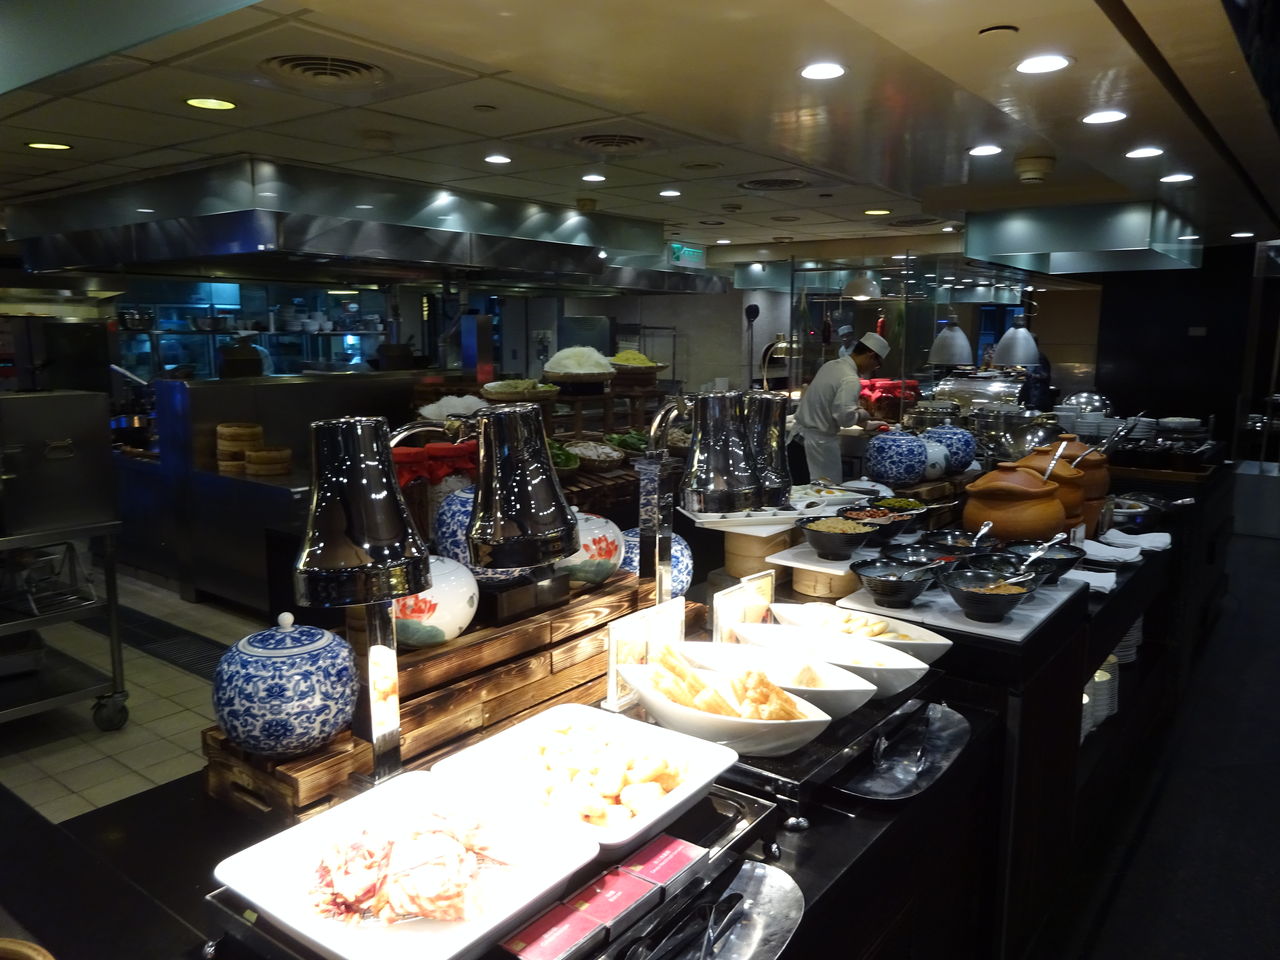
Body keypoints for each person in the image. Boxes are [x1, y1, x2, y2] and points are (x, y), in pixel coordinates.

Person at [794, 331, 890, 483]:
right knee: (825, 492)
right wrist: (863, 414)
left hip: (797, 441)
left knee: (801, 492)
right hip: (818, 447)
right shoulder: (850, 379)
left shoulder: (830, 366)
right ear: (871, 355)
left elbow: (831, 405)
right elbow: (844, 417)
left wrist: (865, 424)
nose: (874, 368)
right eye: (877, 364)